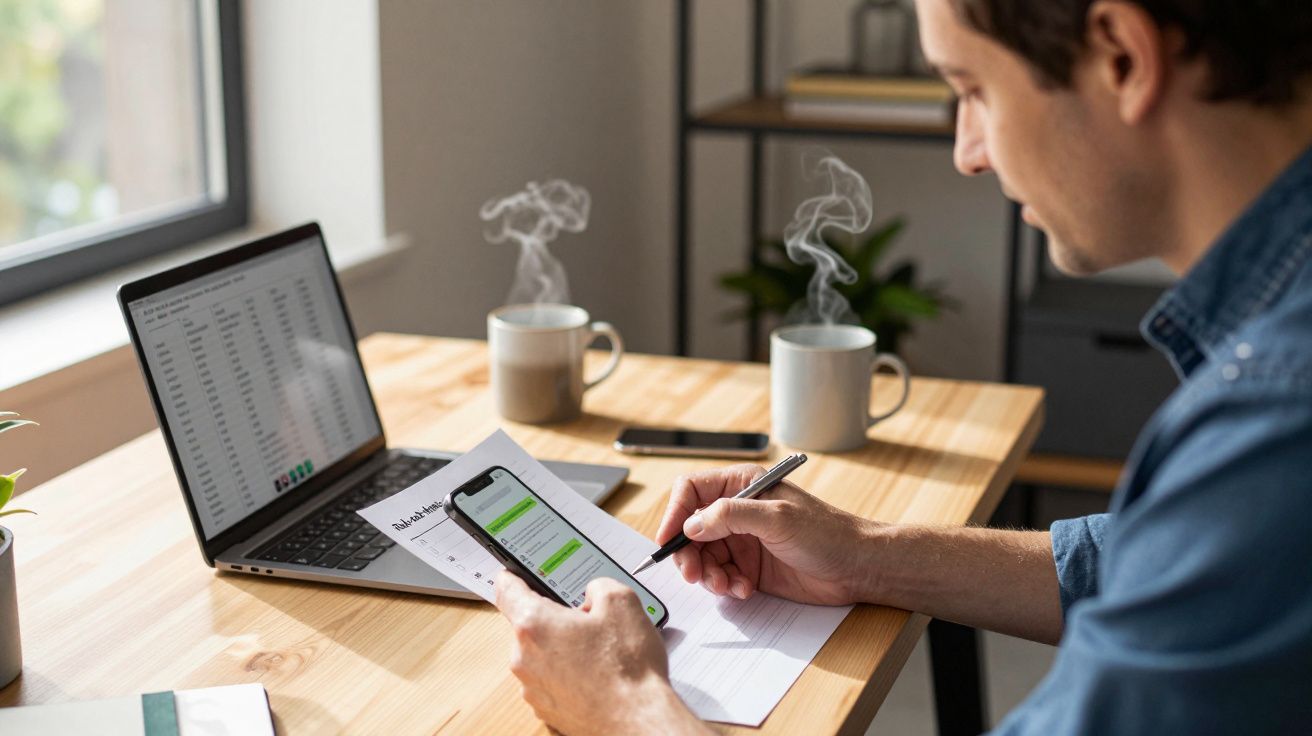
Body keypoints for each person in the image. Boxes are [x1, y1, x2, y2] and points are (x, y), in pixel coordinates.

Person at [493, 0, 1312, 732]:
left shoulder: (1275, 420)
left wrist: (625, 706)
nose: (968, 151)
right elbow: (1156, 562)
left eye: (973, 88)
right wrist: (865, 551)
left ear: (1121, 59)